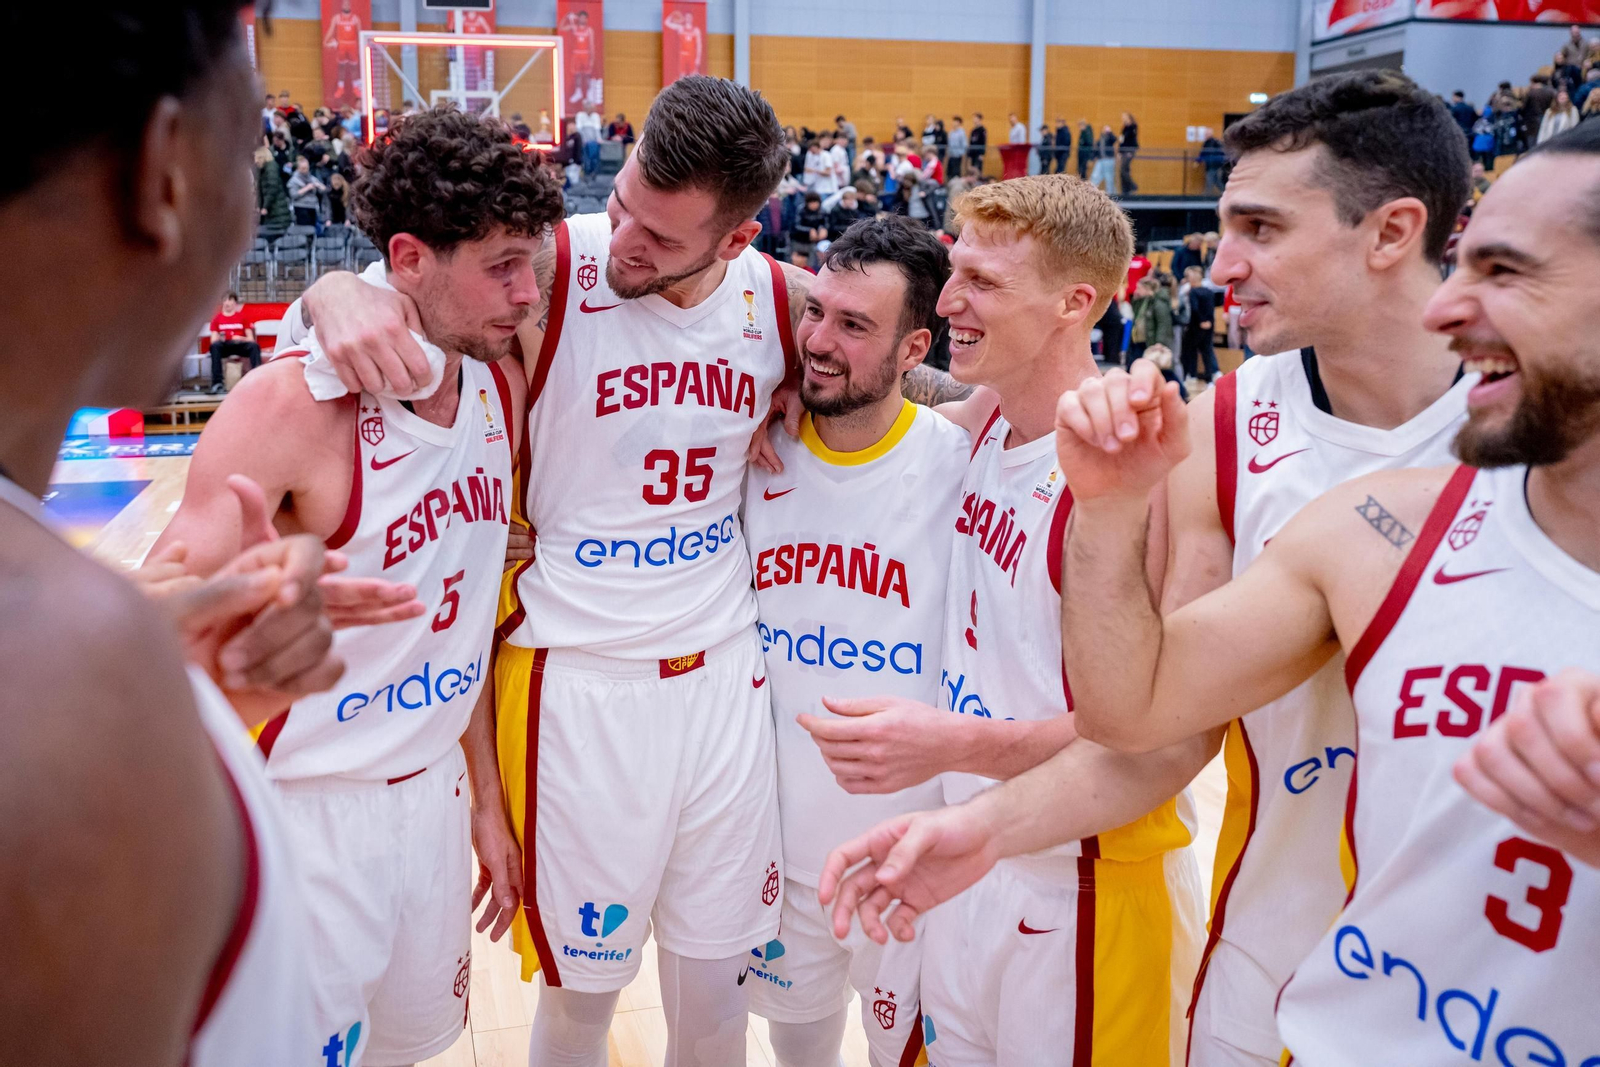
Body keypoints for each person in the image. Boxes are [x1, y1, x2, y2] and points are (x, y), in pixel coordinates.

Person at [820, 71, 1481, 1067]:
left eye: (1261, 228)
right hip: (1257, 938)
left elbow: (1147, 727)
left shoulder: (1546, 439)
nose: (1222, 262)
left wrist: (964, 759)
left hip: (1470, 970)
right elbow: (1157, 720)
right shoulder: (1216, 424)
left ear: (1392, 232)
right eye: (1225, 224)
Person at [290, 75, 926, 1067]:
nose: (623, 239)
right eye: (623, 202)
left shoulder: (782, 302)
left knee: (715, 999)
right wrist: (329, 291)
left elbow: (909, 375)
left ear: (736, 239)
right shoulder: (550, 265)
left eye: (658, 237)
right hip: (574, 681)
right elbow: (385, 297)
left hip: (724, 683)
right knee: (582, 998)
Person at [1054, 122, 1600, 1064]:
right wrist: (1109, 509)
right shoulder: (1384, 526)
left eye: (1505, 272)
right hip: (1313, 1007)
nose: (1446, 306)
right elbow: (1133, 708)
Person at [0, 3, 368, 1063]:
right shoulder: (59, 661)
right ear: (166, 171)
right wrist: (120, 701)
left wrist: (186, 699)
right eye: (245, 152)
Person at [158, 107, 555, 1067]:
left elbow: (458, 622)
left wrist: (486, 801)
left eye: (533, 263)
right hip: (305, 807)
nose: (529, 292)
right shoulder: (290, 403)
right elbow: (151, 621)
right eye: (503, 265)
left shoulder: (495, 384)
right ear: (408, 259)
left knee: (406, 1052)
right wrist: (237, 604)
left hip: (430, 798)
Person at [806, 174, 1206, 1065]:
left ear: (1075, 303)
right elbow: (860, 395)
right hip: (970, 862)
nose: (949, 300)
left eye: (983, 283)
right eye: (955, 272)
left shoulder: (1135, 480)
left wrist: (951, 743)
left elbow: (1153, 732)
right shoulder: (985, 419)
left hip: (1086, 883)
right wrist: (784, 399)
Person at [746, 216, 966, 1067]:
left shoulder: (961, 460)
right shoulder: (751, 450)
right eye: (817, 312)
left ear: (914, 348)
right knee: (797, 1049)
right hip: (778, 848)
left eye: (853, 325)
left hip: (910, 854)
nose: (819, 342)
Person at [208, 291, 260, 393]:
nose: (227, 303)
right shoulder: (217, 319)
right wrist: (220, 339)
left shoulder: (243, 317)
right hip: (225, 346)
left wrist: (240, 338)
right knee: (215, 346)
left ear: (235, 303)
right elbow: (213, 340)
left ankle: (258, 380)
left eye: (230, 300)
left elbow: (250, 338)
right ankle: (217, 383)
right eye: (225, 300)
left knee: (254, 346)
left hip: (239, 344)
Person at [1180, 265, 1218, 383]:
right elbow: (1211, 309)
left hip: (1195, 325)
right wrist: (1208, 321)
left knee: (1191, 351)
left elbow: (1194, 309)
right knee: (1207, 351)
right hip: (1209, 325)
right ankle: (1210, 377)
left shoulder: (1193, 292)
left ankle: (1192, 375)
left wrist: (1201, 321)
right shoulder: (1209, 291)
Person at [323, 0, 364, 109]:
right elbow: (331, 30)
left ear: (350, 5)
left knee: (354, 67)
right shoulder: (337, 18)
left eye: (347, 4)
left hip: (352, 44)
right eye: (344, 4)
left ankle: (356, 87)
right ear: (342, 5)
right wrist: (326, 40)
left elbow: (360, 33)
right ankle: (340, 87)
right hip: (341, 44)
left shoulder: (355, 19)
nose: (346, 5)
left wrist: (362, 45)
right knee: (341, 66)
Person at [791, 191, 828, 267]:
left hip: (813, 242)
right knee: (797, 262)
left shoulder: (822, 211)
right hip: (799, 240)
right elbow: (796, 226)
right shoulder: (801, 210)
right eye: (811, 203)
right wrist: (809, 230)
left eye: (815, 202)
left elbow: (826, 223)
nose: (814, 205)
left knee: (811, 263)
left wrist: (822, 229)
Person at [287, 155, 325, 228]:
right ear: (298, 168)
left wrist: (320, 186)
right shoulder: (293, 180)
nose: (305, 170)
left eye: (307, 168)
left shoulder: (312, 178)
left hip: (313, 207)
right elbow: (293, 195)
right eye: (303, 168)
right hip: (300, 207)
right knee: (304, 229)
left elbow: (324, 190)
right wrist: (307, 188)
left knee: (313, 229)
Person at [1091, 124, 1117, 190]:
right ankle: (1091, 190)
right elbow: (1096, 149)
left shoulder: (1110, 138)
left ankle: (1111, 193)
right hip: (1100, 160)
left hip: (1109, 160)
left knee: (1109, 177)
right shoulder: (1100, 139)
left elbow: (1114, 139)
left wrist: (1110, 132)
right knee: (1095, 176)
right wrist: (1093, 158)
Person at [1119, 110, 1140, 194]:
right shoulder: (1124, 127)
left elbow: (1132, 139)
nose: (1122, 118)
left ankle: (1133, 186)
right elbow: (1121, 140)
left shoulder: (1133, 127)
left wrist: (1130, 151)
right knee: (1123, 170)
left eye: (1124, 117)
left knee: (1123, 169)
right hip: (1123, 151)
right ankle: (1125, 190)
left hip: (1129, 151)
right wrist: (1119, 152)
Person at [967, 112, 987, 176]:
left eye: (975, 118)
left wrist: (982, 154)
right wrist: (969, 154)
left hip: (978, 153)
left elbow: (983, 142)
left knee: (978, 169)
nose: (974, 120)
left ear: (979, 119)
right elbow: (971, 143)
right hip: (973, 153)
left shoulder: (982, 130)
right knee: (972, 169)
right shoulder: (973, 131)